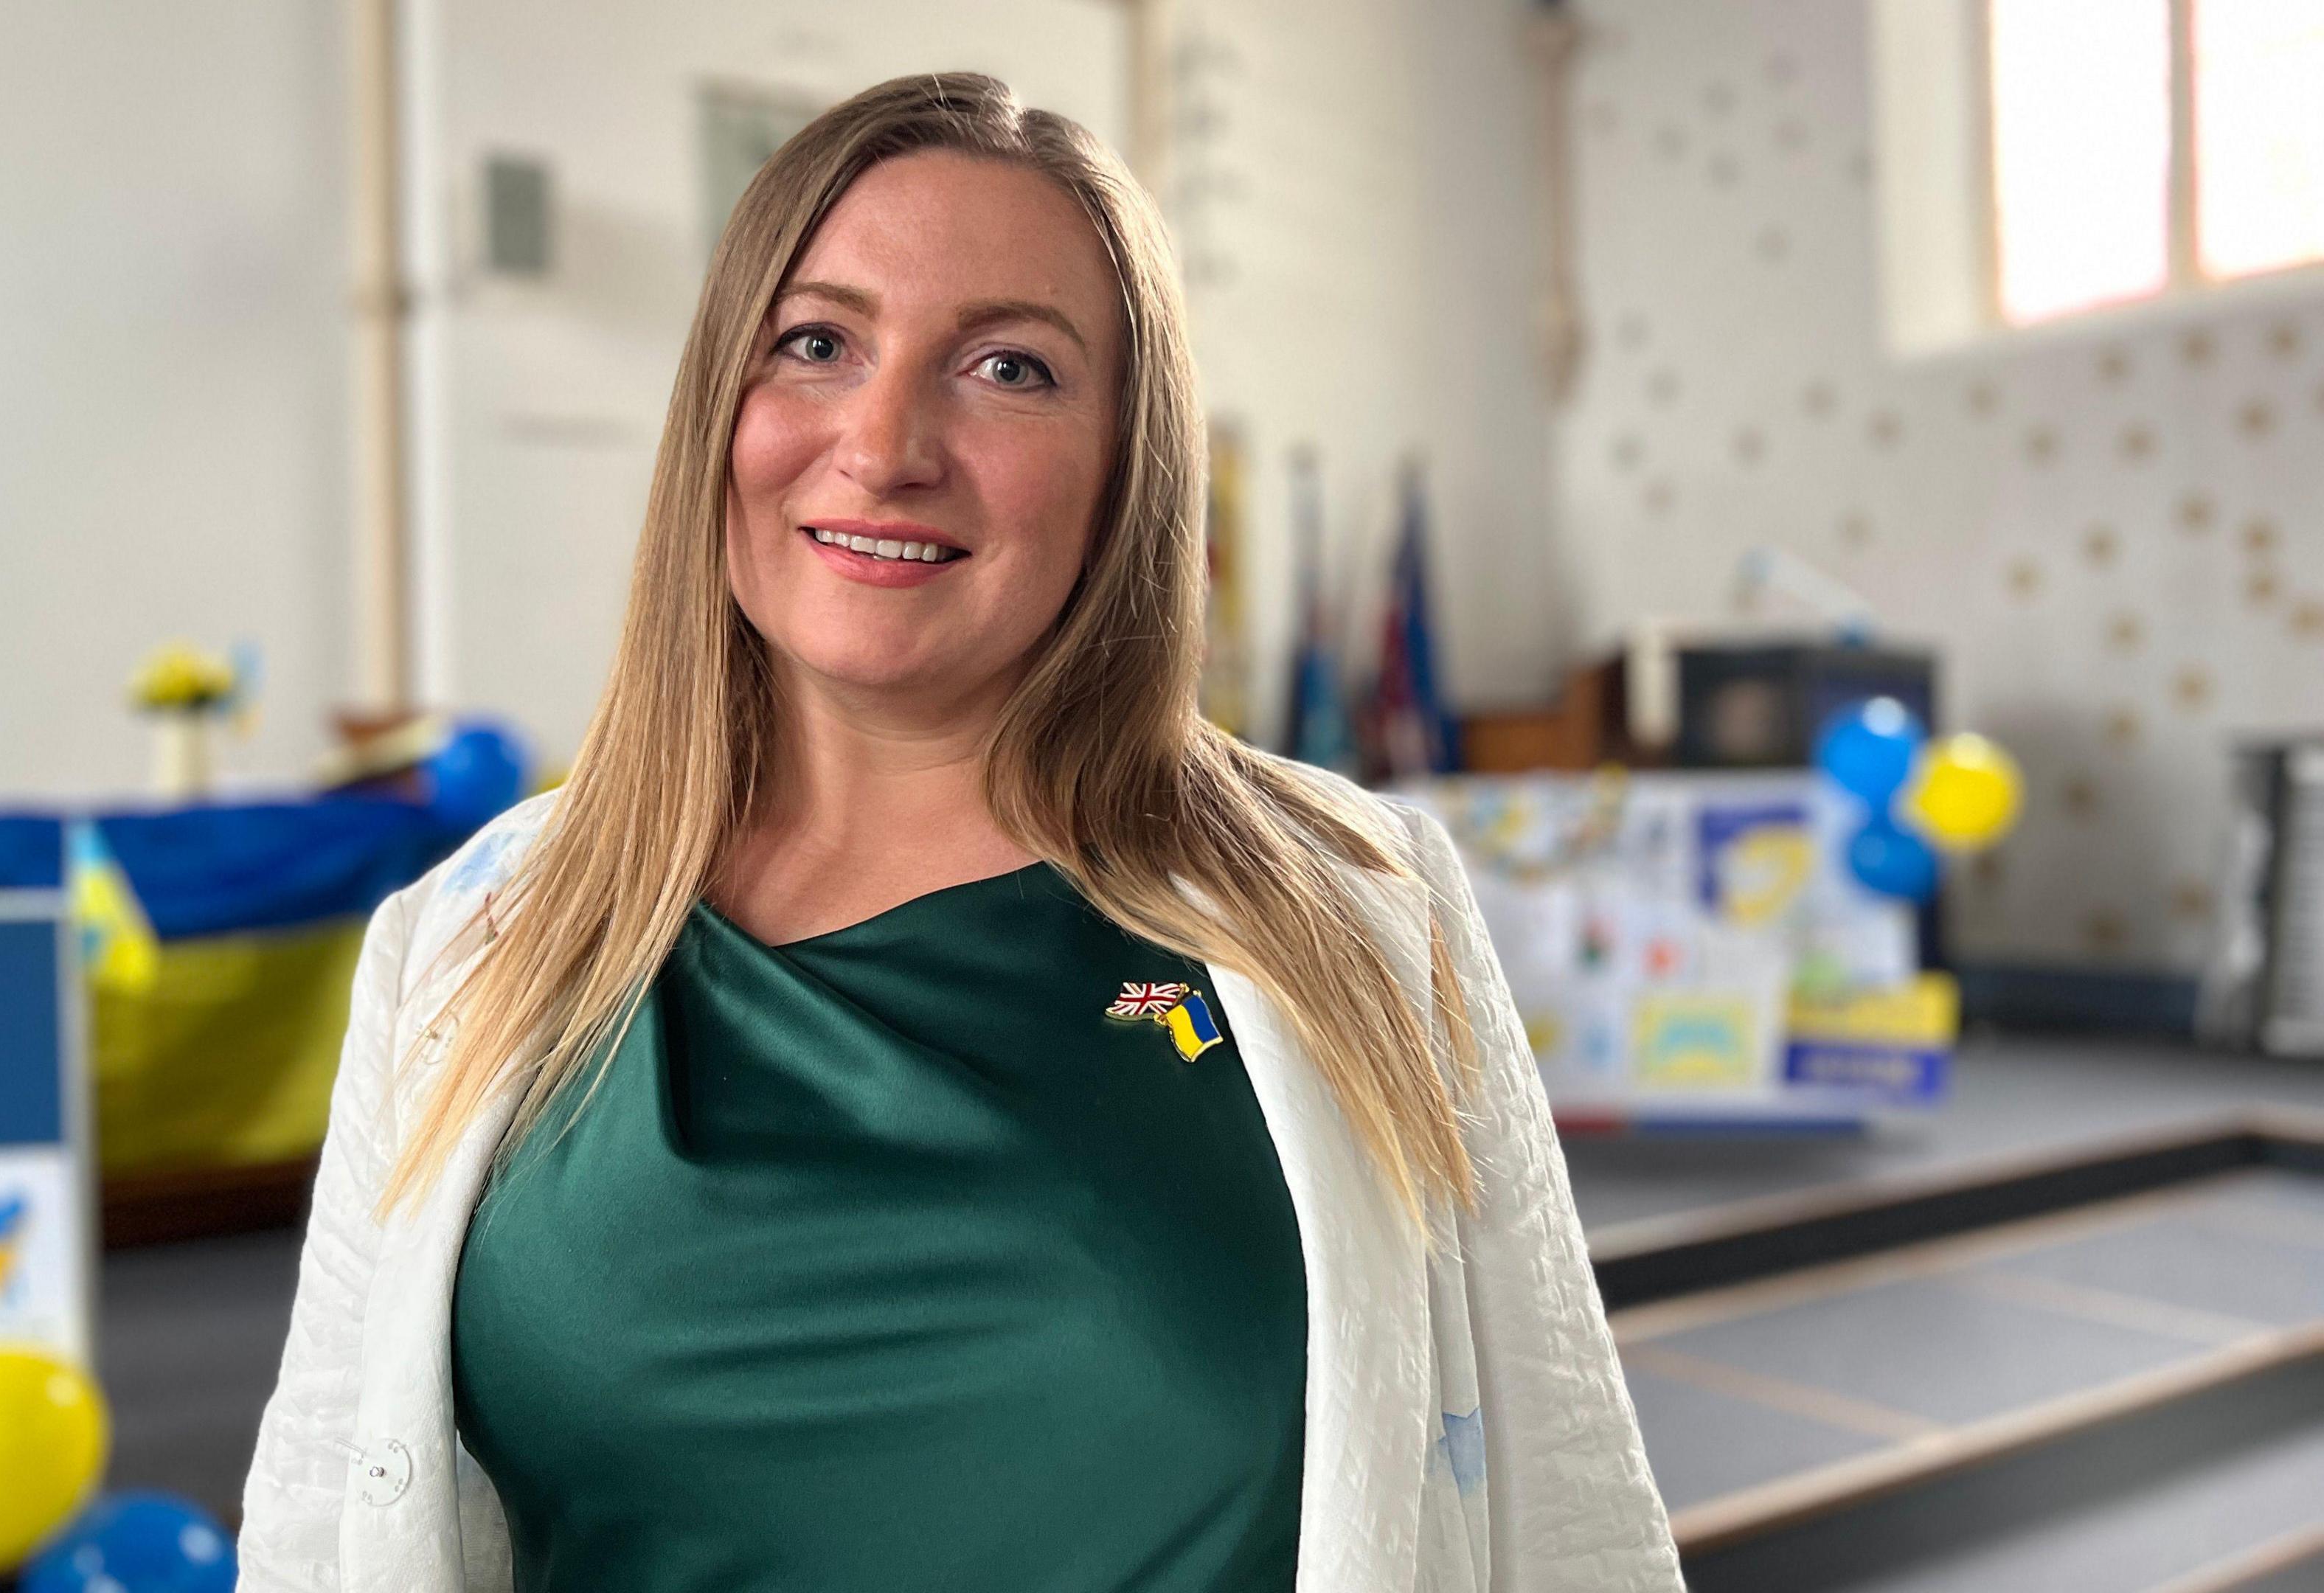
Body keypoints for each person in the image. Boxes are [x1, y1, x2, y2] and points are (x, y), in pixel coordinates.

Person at [239, 72, 1677, 1593]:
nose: (883, 441)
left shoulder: (1361, 909)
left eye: (1008, 367)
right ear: (720, 402)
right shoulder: (468, 940)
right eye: (817, 344)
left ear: (1129, 465)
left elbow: (1570, 1520)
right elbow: (322, 1529)